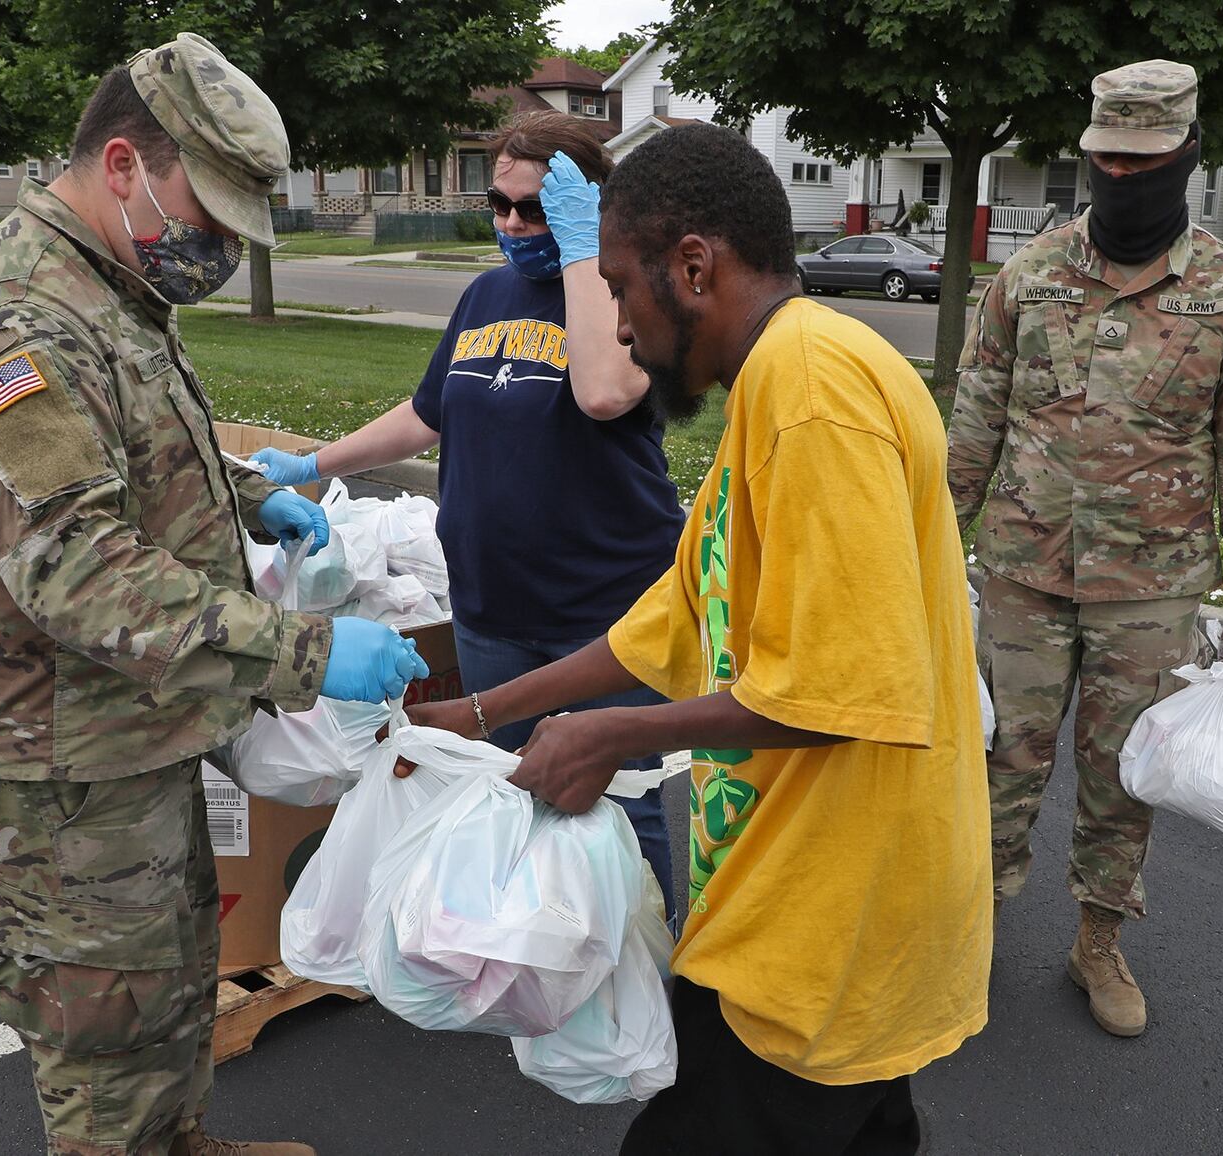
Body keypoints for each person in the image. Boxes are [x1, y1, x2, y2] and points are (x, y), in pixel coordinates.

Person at [408, 122, 991, 1153]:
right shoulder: (772, 385)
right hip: (796, 897)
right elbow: (668, 622)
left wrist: (606, 737)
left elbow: (841, 688)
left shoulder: (813, 392)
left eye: (623, 288)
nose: (620, 327)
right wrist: (484, 708)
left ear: (693, 266)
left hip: (826, 916)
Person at [0, 34, 425, 1156]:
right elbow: (75, 567)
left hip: (120, 735)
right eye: (214, 212)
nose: (224, 246)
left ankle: (178, 1144)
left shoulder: (107, 286)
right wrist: (301, 650)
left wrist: (242, 497)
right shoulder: (16, 321)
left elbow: (130, 456)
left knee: (170, 982)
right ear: (128, 164)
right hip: (56, 763)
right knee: (103, 1036)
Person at [251, 111, 685, 924]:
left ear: (583, 208)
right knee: (511, 791)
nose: (515, 224)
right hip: (492, 608)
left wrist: (587, 250)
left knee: (621, 805)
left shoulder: (630, 297)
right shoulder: (485, 293)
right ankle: (544, 961)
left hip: (602, 617)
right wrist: (314, 464)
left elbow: (603, 391)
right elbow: (428, 414)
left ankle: (645, 981)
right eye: (501, 204)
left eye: (536, 209)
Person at [948, 59, 1223, 1039]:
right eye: (1107, 160)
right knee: (996, 762)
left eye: (1145, 162)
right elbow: (974, 424)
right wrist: (929, 553)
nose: (1124, 178)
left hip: (1151, 587)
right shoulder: (1027, 277)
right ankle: (965, 929)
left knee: (1121, 776)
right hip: (1021, 570)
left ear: (1186, 156)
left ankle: (1097, 941)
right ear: (1087, 156)